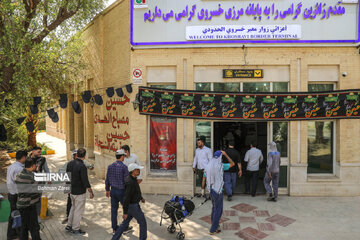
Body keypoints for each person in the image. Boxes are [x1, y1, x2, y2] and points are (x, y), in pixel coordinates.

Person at [112, 163, 147, 240]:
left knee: (124, 224)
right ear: (133, 171)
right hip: (133, 207)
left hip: (131, 206)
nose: (139, 171)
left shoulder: (133, 179)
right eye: (137, 170)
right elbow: (126, 198)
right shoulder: (130, 182)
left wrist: (141, 198)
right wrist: (125, 212)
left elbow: (135, 191)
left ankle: (114, 238)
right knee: (142, 222)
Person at [59, 149, 94, 224]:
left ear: (77, 155)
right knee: (77, 210)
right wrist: (90, 191)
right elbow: (85, 180)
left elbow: (90, 166)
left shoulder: (71, 164)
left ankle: (69, 224)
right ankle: (75, 228)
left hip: (72, 190)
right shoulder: (80, 166)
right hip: (78, 191)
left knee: (73, 208)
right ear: (84, 156)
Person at [204, 150, 234, 235]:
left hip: (211, 190)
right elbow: (232, 164)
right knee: (218, 210)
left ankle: (215, 225)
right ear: (221, 157)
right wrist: (226, 155)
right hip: (218, 191)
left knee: (214, 208)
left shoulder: (208, 165)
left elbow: (205, 177)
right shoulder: (221, 166)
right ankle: (213, 229)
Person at [105, 149, 133, 234]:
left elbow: (107, 179)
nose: (124, 157)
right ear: (121, 156)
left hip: (113, 191)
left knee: (114, 210)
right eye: (124, 156)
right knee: (126, 210)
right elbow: (126, 181)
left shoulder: (110, 166)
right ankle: (125, 228)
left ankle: (114, 229)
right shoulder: (124, 167)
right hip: (122, 191)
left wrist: (107, 189)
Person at [15, 157, 42, 240]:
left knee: (24, 226)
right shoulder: (32, 177)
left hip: (21, 204)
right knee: (34, 227)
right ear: (33, 166)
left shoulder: (19, 174)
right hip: (29, 205)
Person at [6, 150, 27, 240]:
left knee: (13, 215)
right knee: (19, 215)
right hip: (17, 195)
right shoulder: (19, 169)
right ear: (23, 158)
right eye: (26, 157)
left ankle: (11, 235)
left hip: (11, 193)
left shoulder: (12, 166)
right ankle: (20, 235)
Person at [30, 146, 49, 223]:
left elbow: (46, 169)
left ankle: (38, 215)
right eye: (38, 152)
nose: (40, 154)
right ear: (33, 151)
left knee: (38, 198)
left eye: (40, 152)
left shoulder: (42, 159)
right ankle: (31, 215)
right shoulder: (27, 159)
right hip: (30, 183)